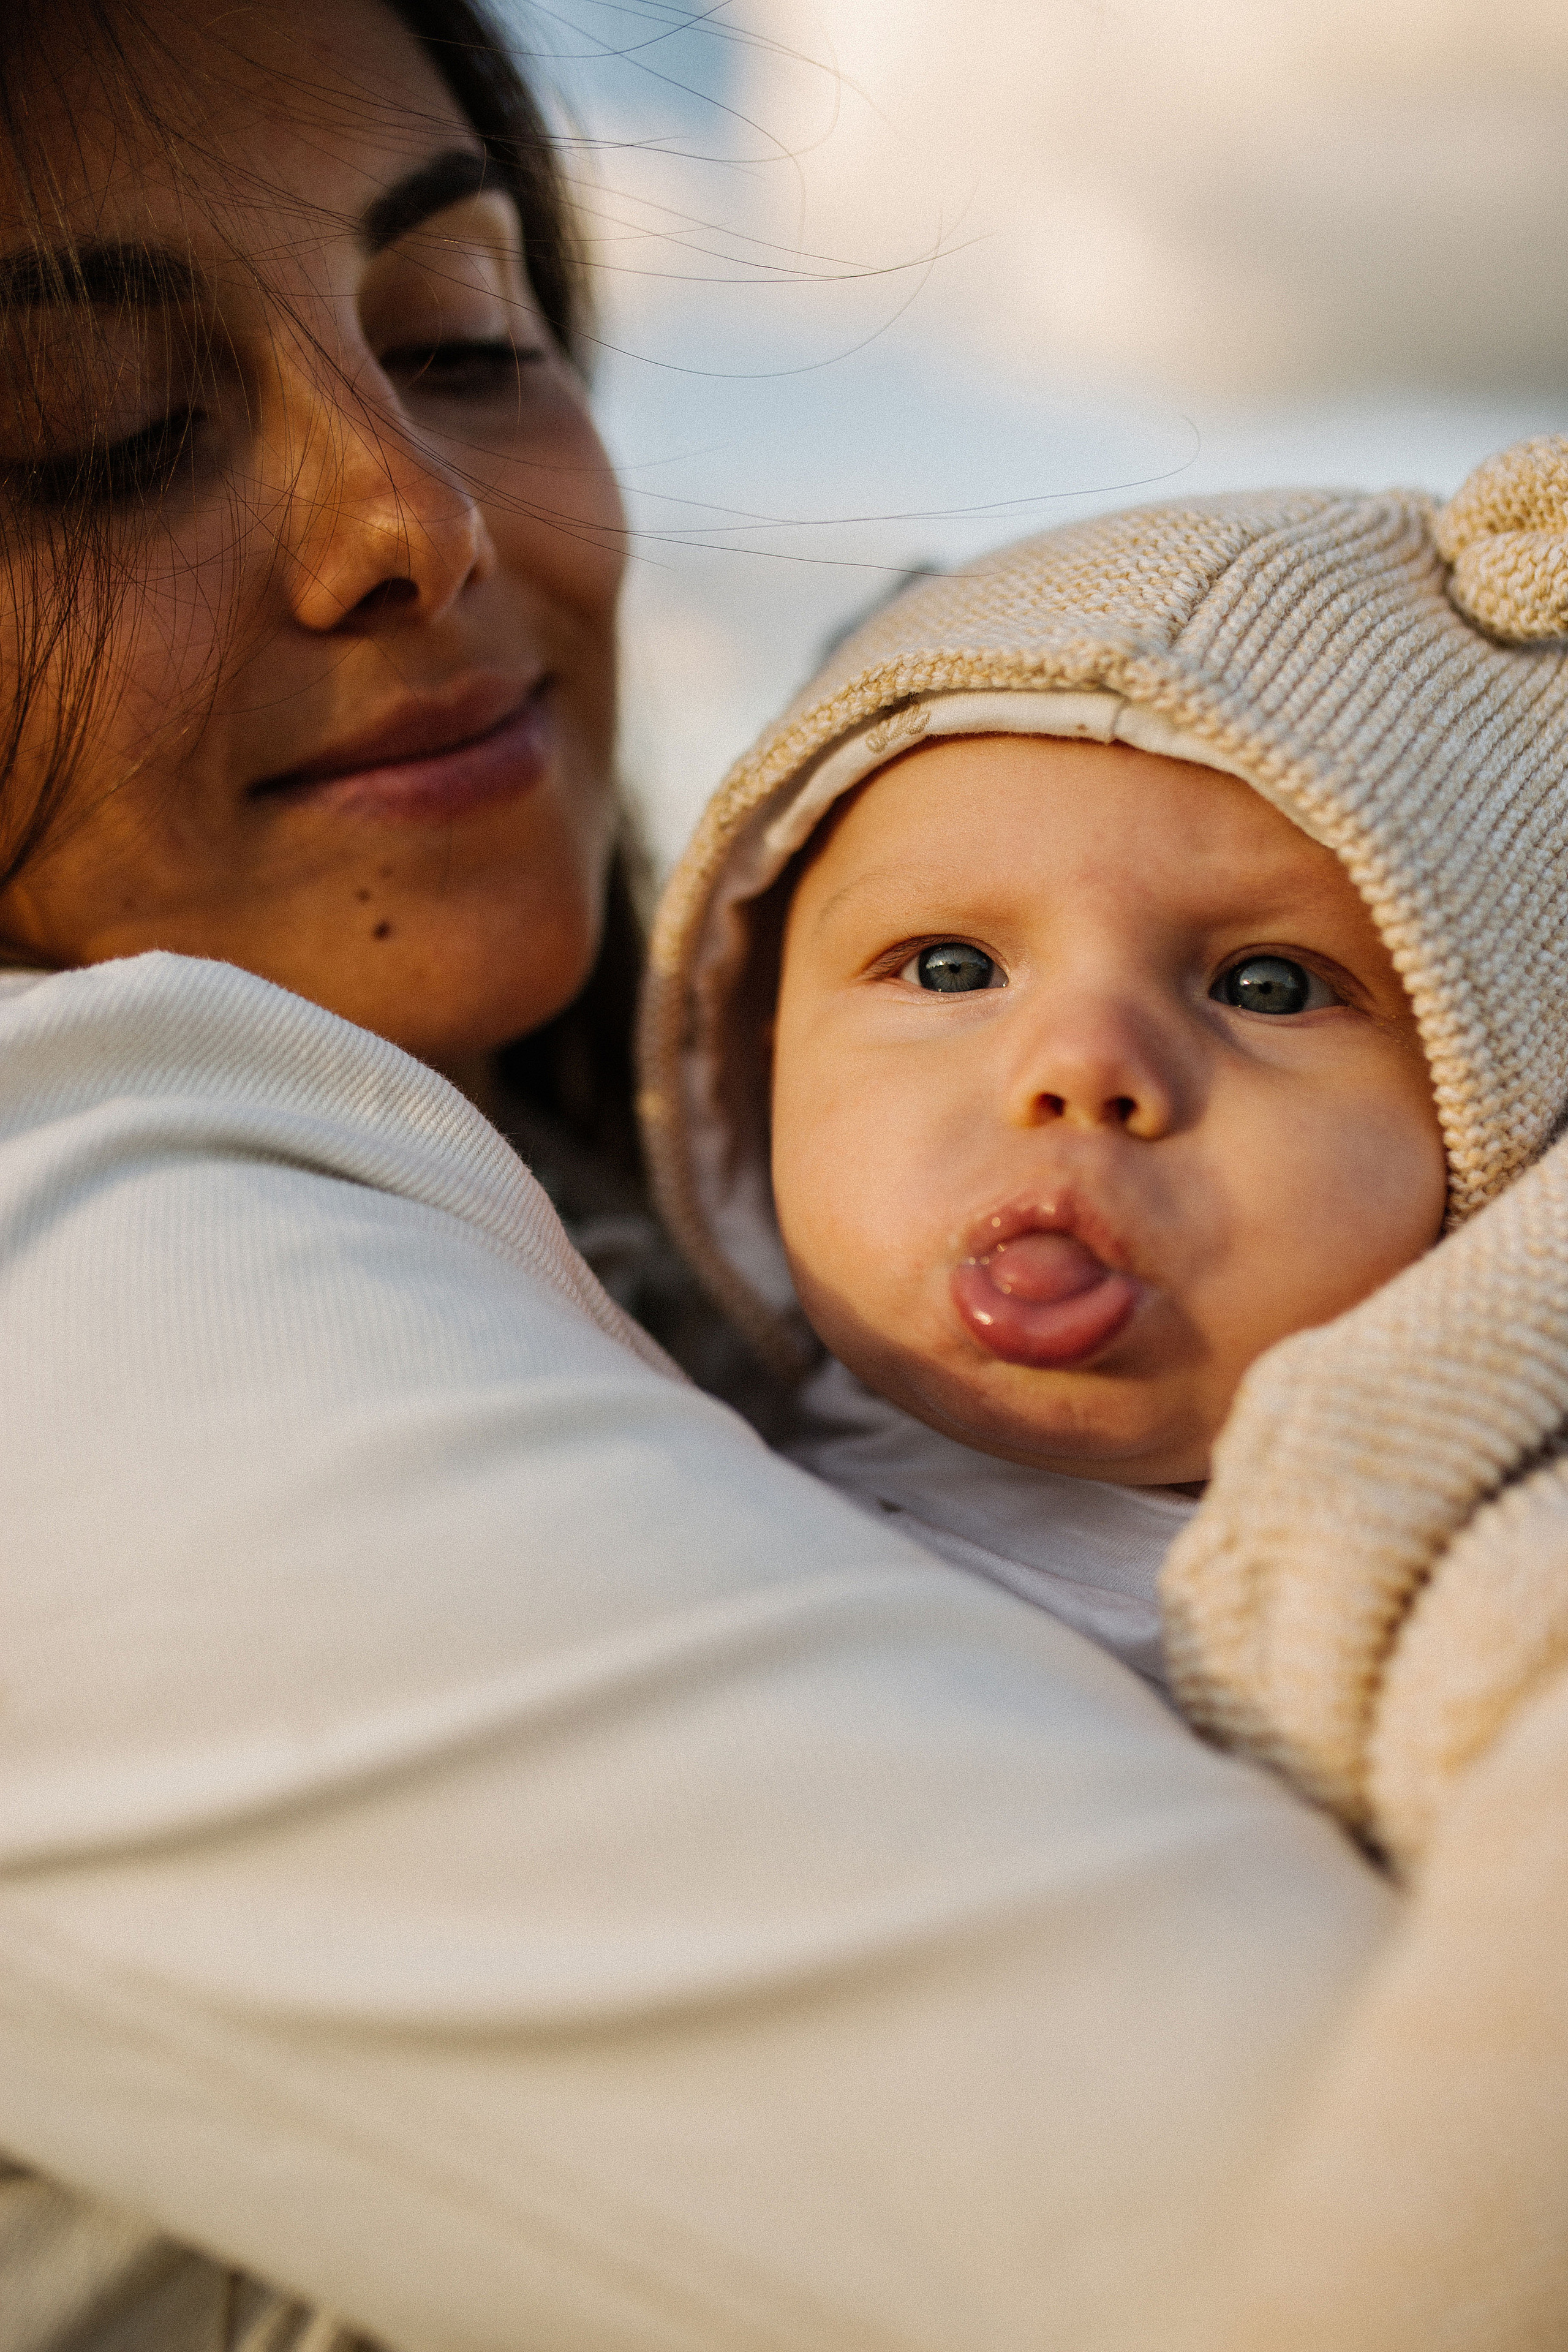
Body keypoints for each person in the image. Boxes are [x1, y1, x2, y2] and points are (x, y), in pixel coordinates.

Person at [0, 2, 1556, 2348]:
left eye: (467, 335)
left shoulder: (673, 1297)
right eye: (86, 446)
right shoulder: (81, 1282)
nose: (407, 515)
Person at [638, 515, 1450, 1687]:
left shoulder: (1460, 1576)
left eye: (1266, 986)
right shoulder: (637, 1413)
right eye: (950, 968)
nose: (1082, 1068)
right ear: (755, 1060)